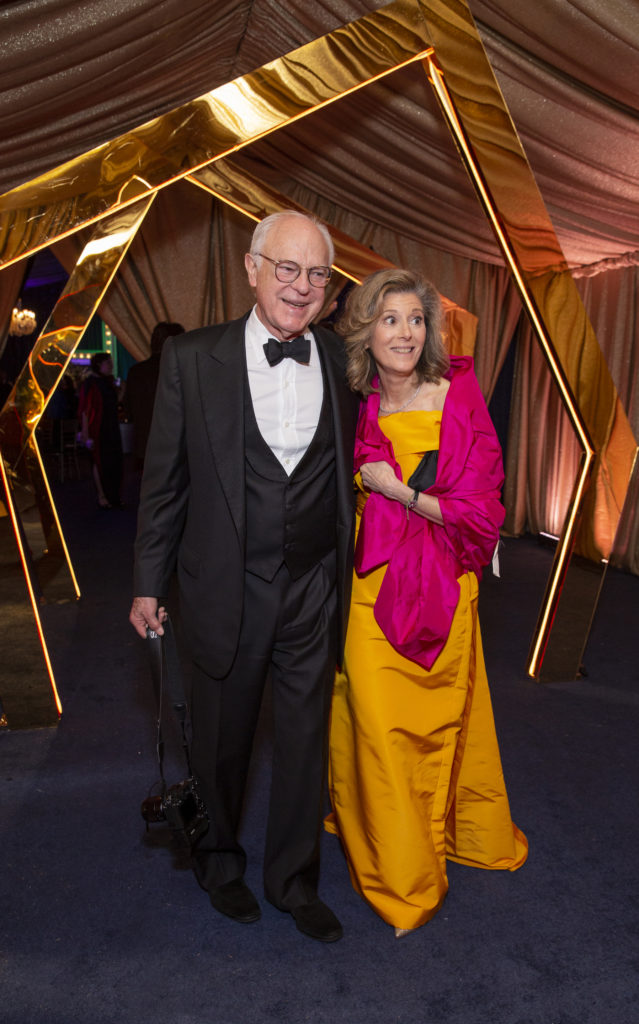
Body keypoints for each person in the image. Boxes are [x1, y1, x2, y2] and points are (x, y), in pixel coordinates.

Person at [129, 211, 359, 943]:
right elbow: (164, 483)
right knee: (220, 744)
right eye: (286, 269)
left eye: (316, 274)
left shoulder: (339, 360)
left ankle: (293, 881)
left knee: (302, 743)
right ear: (252, 269)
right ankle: (219, 864)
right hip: (222, 587)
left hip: (313, 588)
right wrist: (146, 582)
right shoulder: (193, 359)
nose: (300, 287)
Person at [325, 268, 528, 937]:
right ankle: (397, 868)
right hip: (366, 590)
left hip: (442, 588)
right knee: (376, 728)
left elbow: (480, 515)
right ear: (364, 330)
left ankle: (431, 845)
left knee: (436, 726)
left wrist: (395, 490)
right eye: (390, 319)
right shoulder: (353, 398)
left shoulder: (455, 393)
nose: (405, 332)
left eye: (415, 319)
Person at [123, 321, 184, 468]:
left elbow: (128, 409)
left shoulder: (136, 371)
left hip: (144, 446)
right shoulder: (180, 370)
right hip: (175, 447)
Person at [77, 352, 123, 508]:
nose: (111, 366)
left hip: (110, 426)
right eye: (107, 363)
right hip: (98, 427)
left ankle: (112, 495)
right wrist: (85, 432)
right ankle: (102, 495)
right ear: (99, 365)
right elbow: (85, 409)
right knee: (99, 460)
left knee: (113, 460)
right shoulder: (91, 383)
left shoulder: (107, 382)